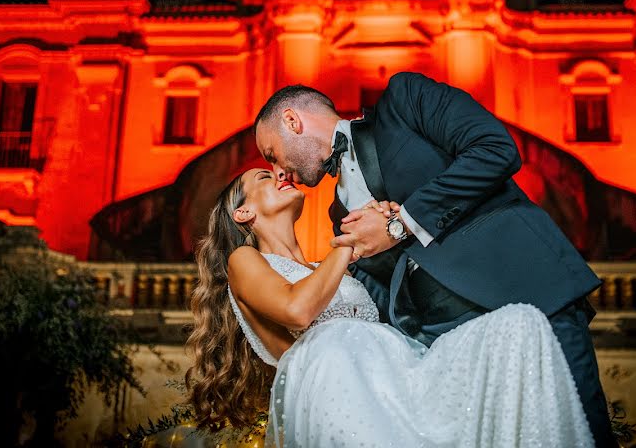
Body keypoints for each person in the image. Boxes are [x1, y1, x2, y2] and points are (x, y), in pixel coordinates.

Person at [253, 72, 616, 447]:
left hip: (528, 294)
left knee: (582, 434)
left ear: (292, 121)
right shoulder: (339, 215)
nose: (279, 172)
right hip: (448, 346)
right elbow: (374, 297)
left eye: (271, 154)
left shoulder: (405, 99)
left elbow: (494, 148)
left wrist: (401, 224)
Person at [185, 168, 593, 447]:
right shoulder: (245, 260)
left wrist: (387, 229)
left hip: (395, 375)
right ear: (244, 212)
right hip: (334, 383)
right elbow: (297, 310)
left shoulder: (322, 268)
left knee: (517, 326)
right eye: (264, 177)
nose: (280, 174)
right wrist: (350, 244)